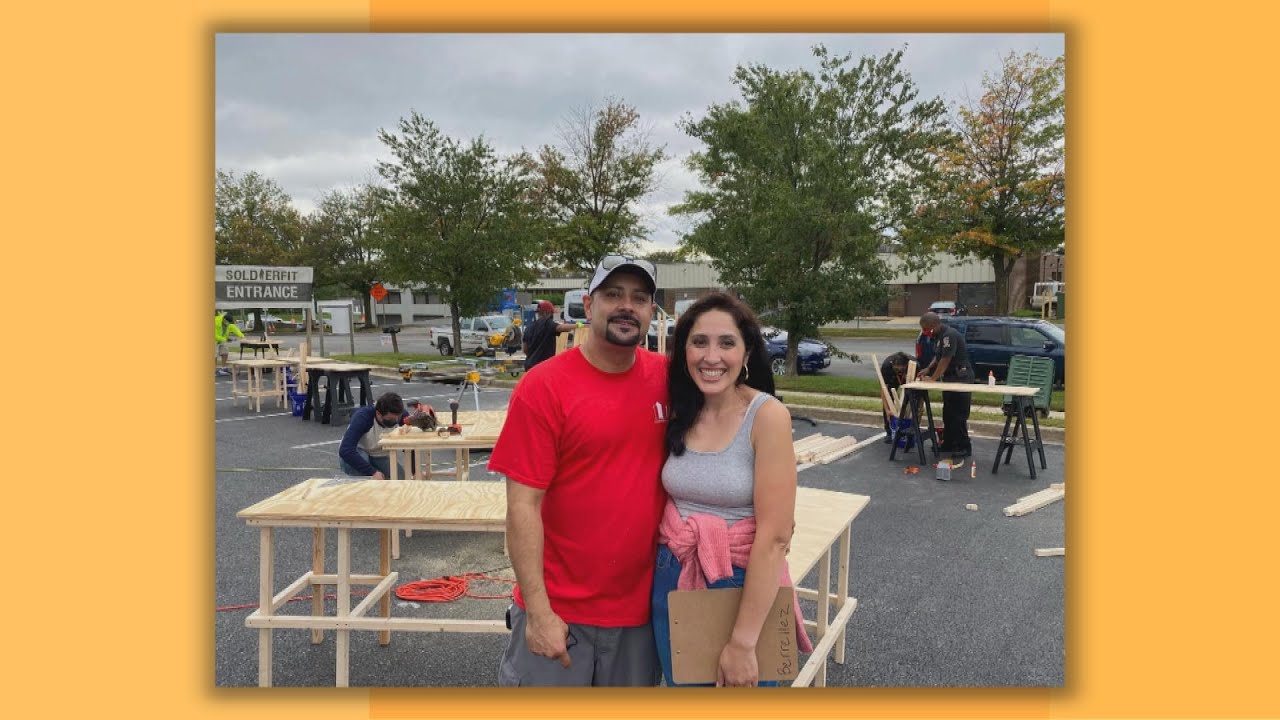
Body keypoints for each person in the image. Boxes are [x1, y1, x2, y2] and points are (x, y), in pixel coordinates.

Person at [488, 255, 667, 687]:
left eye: (639, 298)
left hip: (640, 617)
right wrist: (539, 611)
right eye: (613, 295)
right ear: (588, 306)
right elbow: (523, 507)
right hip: (560, 612)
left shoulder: (669, 379)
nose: (627, 306)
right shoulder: (544, 387)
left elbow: (732, 419)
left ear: (650, 312)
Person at [651, 292, 812, 688]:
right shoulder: (683, 408)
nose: (711, 357)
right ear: (683, 349)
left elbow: (775, 537)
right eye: (699, 342)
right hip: (674, 576)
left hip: (740, 585)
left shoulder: (767, 416)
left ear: (746, 353)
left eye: (726, 343)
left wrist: (742, 642)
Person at [917, 312, 976, 461]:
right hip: (950, 378)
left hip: (961, 377)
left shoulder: (949, 336)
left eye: (927, 329)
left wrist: (934, 379)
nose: (925, 332)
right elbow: (937, 357)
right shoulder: (939, 337)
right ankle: (948, 444)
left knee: (959, 415)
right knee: (948, 413)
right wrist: (928, 369)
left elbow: (945, 360)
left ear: (934, 325)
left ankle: (963, 447)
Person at [337, 392, 409, 478]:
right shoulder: (363, 417)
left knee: (400, 477)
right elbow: (345, 450)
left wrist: (415, 471)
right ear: (378, 414)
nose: (396, 421)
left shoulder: (402, 416)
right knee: (366, 479)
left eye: (398, 417)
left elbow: (409, 446)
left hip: (378, 455)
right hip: (357, 453)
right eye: (390, 420)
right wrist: (372, 472)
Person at [520, 300, 575, 370]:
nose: (552, 316)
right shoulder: (547, 323)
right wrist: (578, 325)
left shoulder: (529, 328)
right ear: (546, 313)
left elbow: (525, 349)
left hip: (530, 366)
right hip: (544, 367)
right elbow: (561, 327)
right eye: (552, 314)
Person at [880, 351, 914, 444]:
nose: (899, 370)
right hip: (893, 379)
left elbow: (920, 391)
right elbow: (884, 390)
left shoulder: (914, 365)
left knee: (911, 401)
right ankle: (889, 431)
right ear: (893, 365)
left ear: (906, 365)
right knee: (889, 398)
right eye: (896, 368)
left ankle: (911, 429)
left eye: (901, 368)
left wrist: (920, 406)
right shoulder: (887, 366)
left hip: (909, 379)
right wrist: (887, 410)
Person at [214, 310, 244, 376]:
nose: (229, 324)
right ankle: (214, 370)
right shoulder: (215, 321)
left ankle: (223, 368)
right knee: (214, 355)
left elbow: (235, 329)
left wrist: (241, 336)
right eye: (228, 322)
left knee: (225, 352)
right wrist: (224, 339)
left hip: (222, 340)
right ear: (224, 319)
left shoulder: (229, 323)